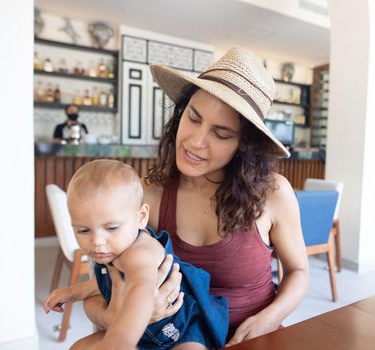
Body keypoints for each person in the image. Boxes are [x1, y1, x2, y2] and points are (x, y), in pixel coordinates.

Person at [83, 46, 309, 346]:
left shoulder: (273, 194)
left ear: (244, 146)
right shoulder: (149, 193)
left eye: (221, 133)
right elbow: (101, 286)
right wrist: (124, 317)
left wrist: (268, 319)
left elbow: (299, 271)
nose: (195, 141)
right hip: (172, 337)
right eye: (193, 117)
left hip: (249, 339)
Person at [43, 159, 229, 350]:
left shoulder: (140, 252)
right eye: (83, 230)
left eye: (112, 227)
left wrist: (120, 338)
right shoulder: (115, 247)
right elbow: (104, 283)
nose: (97, 241)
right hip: (142, 337)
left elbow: (142, 289)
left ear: (141, 218)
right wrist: (71, 293)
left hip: (181, 331)